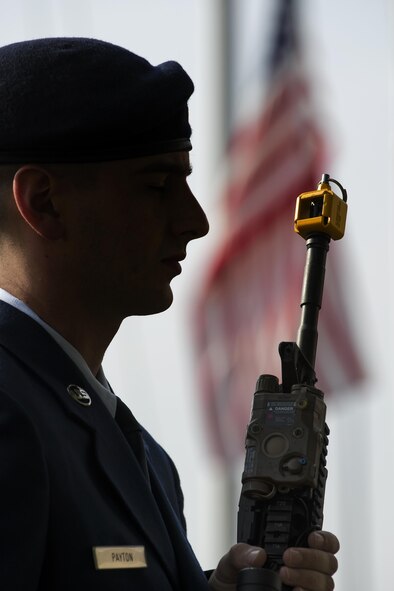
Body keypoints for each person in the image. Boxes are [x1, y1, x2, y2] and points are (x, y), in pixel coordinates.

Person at [0, 37, 339, 590]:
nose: (196, 220)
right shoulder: (13, 413)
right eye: (157, 186)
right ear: (43, 201)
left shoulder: (135, 450)